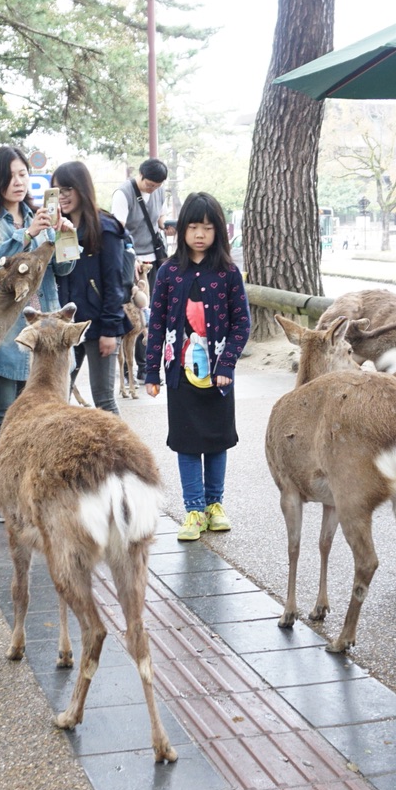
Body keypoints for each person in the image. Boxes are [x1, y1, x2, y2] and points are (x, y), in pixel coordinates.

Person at [0, 145, 75, 519]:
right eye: (11, 175)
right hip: (2, 329)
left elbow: (62, 271)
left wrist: (64, 237)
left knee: (49, 412)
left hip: (45, 329)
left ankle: (39, 492)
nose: (18, 181)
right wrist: (27, 235)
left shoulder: (39, 212)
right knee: (1, 412)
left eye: (23, 174)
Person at [143, 192, 251, 541]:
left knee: (217, 440)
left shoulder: (229, 274)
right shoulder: (168, 273)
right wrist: (152, 372)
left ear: (219, 230)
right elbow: (156, 324)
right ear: (182, 230)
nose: (200, 234)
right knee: (186, 442)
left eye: (208, 227)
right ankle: (193, 510)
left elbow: (242, 324)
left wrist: (228, 364)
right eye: (193, 227)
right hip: (180, 375)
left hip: (218, 377)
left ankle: (214, 504)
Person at [51, 161, 131, 414]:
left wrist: (110, 329)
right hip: (66, 325)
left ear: (81, 189)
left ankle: (121, 453)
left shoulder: (105, 227)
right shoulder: (58, 229)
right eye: (56, 191)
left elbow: (114, 283)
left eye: (67, 189)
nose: (61, 196)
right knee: (58, 399)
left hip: (99, 324)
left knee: (104, 401)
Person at [111, 157, 170, 286]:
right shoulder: (123, 193)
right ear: (141, 174)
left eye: (157, 186)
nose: (153, 189)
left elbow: (161, 217)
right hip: (131, 259)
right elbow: (117, 231)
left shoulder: (159, 191)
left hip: (154, 256)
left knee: (154, 300)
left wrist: (169, 226)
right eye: (149, 185)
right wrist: (132, 258)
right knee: (135, 303)